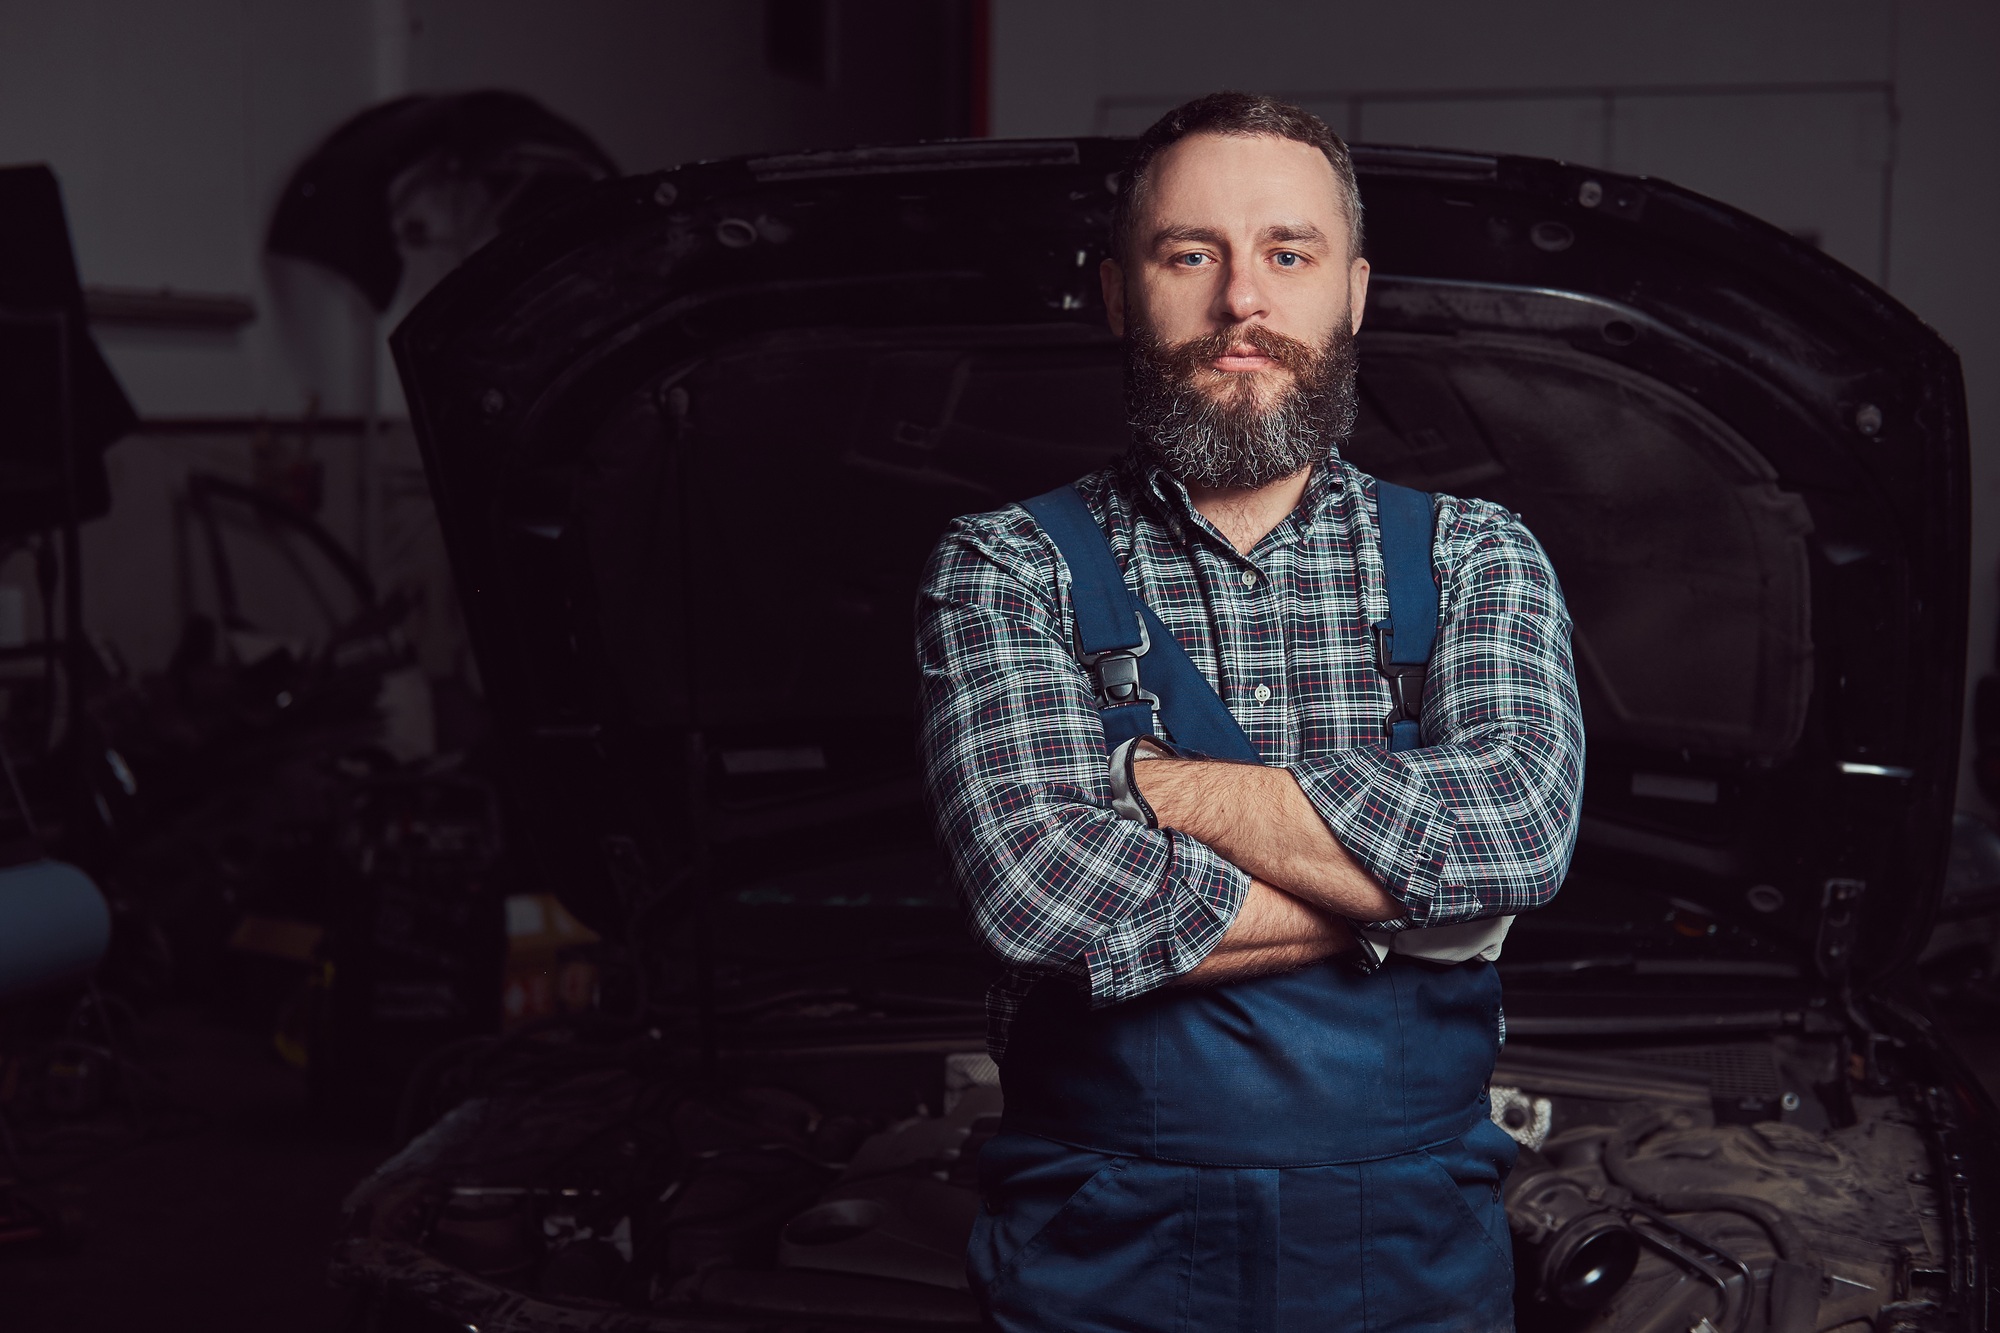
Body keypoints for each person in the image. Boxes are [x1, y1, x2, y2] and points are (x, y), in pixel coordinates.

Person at [916, 91, 1585, 1332]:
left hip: (1413, 1261)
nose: (1242, 303)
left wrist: (1160, 789)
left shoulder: (1475, 556)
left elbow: (1515, 832)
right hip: (1094, 1253)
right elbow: (1037, 891)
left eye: (1287, 253)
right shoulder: (1004, 565)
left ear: (1353, 292)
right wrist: (1420, 912)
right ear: (1119, 294)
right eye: (1190, 255)